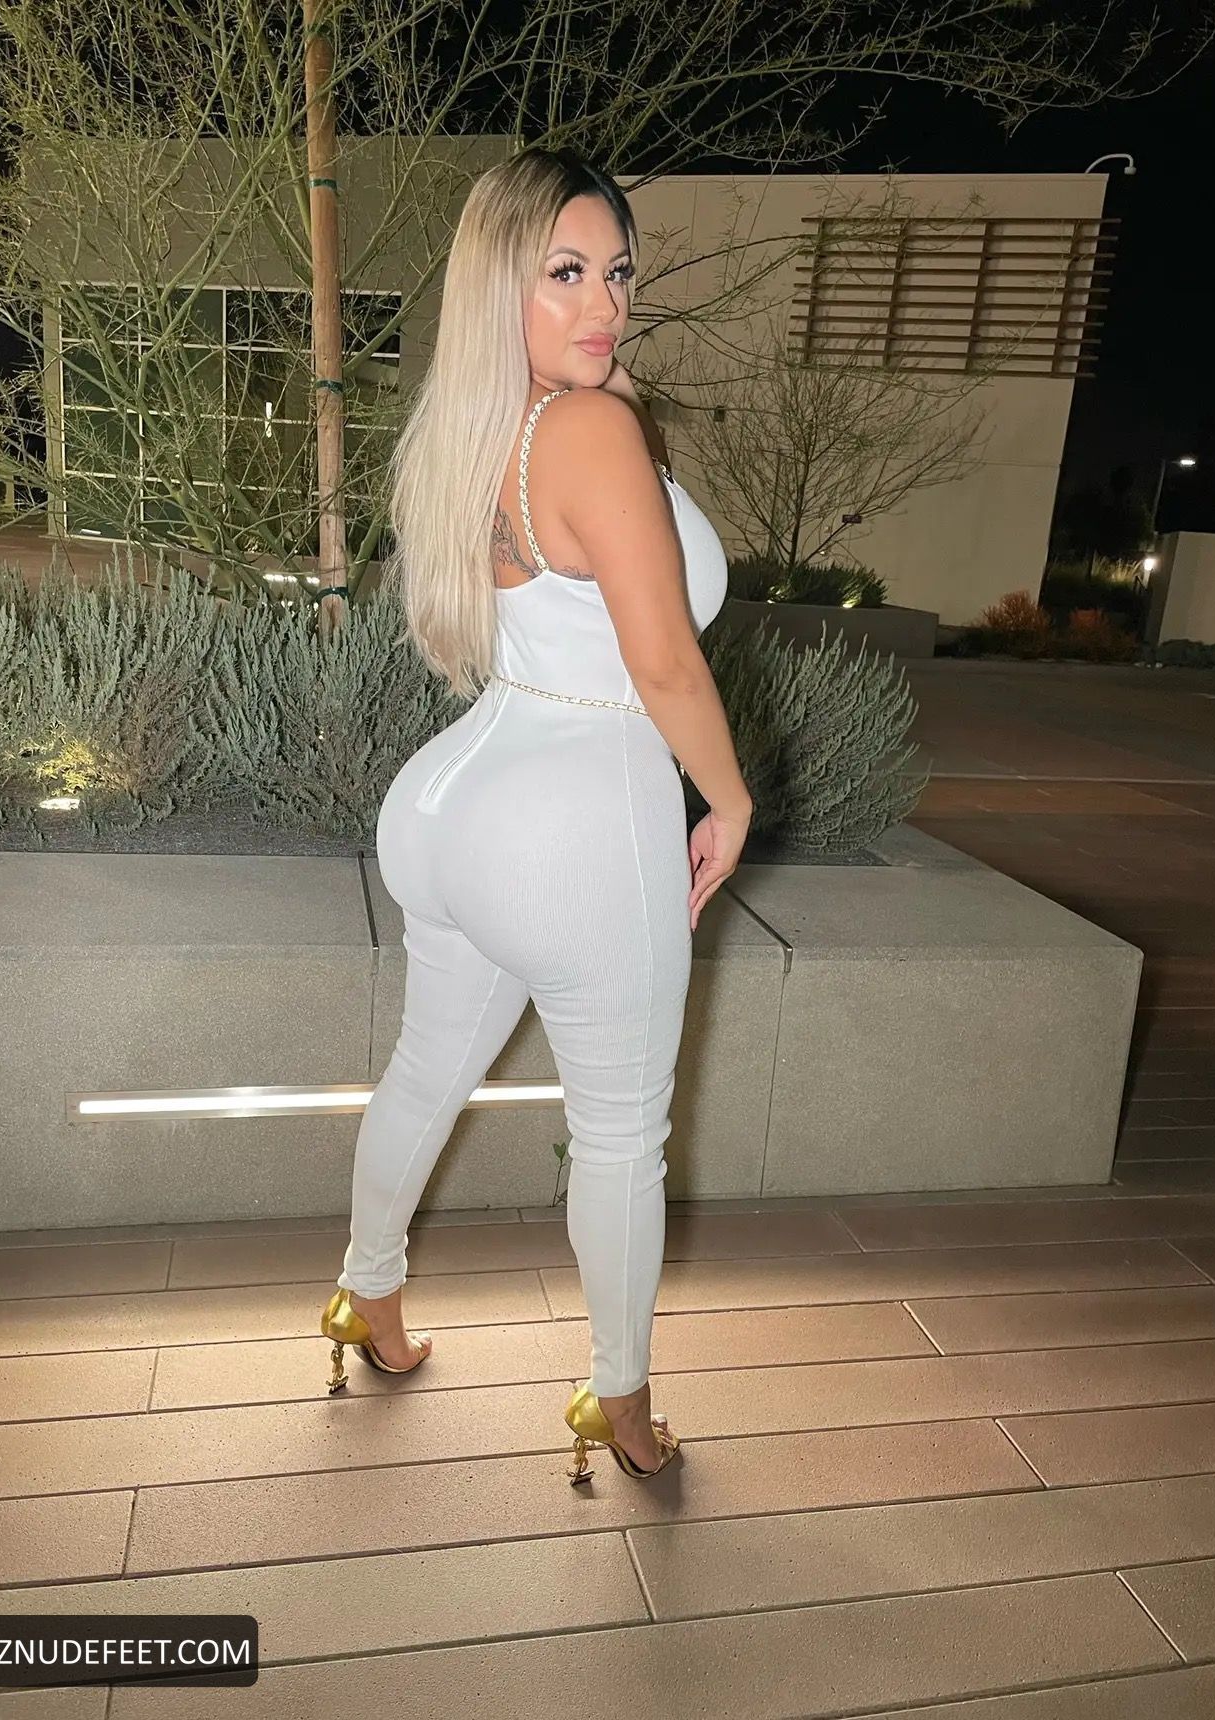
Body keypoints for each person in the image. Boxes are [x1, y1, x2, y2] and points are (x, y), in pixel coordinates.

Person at [319, 145, 752, 1483]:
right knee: (623, 1136)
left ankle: (368, 1295)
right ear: (499, 282)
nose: (602, 302)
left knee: (424, 1071)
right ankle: (620, 1403)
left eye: (616, 272)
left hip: (452, 803)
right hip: (577, 821)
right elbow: (662, 663)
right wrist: (731, 795)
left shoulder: (490, 426)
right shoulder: (587, 431)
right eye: (564, 272)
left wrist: (608, 390)